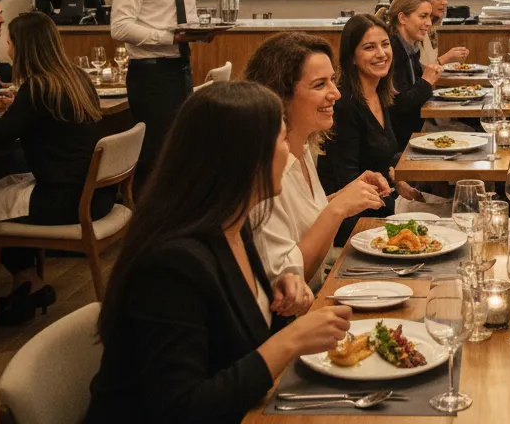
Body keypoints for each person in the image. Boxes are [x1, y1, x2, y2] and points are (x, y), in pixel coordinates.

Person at [86, 82, 351, 424]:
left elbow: (236, 340)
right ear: (245, 158)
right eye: (283, 140)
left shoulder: (234, 226)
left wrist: (278, 299)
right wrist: (290, 340)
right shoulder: (170, 265)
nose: (289, 154)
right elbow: (181, 408)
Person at [0, 11, 106, 325]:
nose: (7, 50)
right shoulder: (75, 78)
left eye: (10, 43)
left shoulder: (38, 88)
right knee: (0, 188)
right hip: (97, 194)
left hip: (65, 200)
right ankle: (29, 284)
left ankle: (26, 280)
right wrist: (17, 105)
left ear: (23, 47)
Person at [244, 33, 391, 288]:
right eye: (319, 85)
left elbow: (305, 219)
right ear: (280, 95)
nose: (336, 93)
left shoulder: (303, 147)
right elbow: (285, 282)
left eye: (333, 80)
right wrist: (338, 208)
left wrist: (348, 194)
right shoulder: (265, 170)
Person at [111, 0, 225, 190]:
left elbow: (185, 18)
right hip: (149, 73)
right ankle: (146, 217)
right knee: (154, 157)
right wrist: (169, 37)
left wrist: (203, 31)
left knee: (179, 153)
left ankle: (174, 215)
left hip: (181, 68)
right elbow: (119, 27)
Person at [321, 15, 424, 242]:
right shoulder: (344, 105)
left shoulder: (379, 93)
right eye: (369, 47)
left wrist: (397, 181)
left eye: (385, 44)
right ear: (352, 57)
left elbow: (377, 158)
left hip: (378, 207)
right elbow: (347, 182)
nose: (381, 53)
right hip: (352, 224)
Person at [378, 0, 443, 149]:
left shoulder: (411, 47)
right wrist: (426, 81)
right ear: (402, 18)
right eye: (423, 16)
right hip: (400, 141)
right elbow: (398, 106)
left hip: (414, 130)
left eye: (429, 16)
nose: (429, 22)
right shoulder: (392, 51)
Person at [416, 0, 469, 67]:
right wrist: (446, 58)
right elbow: (423, 70)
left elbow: (432, 64)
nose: (445, 2)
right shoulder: (417, 30)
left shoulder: (431, 29)